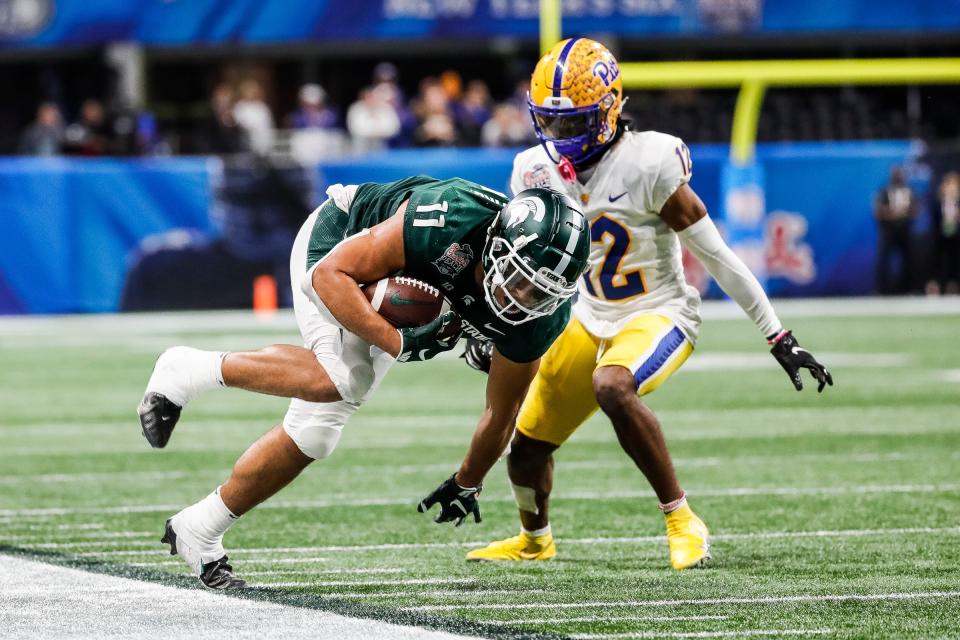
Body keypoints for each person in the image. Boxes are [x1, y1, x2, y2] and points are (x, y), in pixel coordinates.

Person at [464, 38, 833, 570]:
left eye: (574, 122)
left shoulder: (650, 161)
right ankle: (534, 539)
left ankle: (681, 517)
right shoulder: (531, 169)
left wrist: (778, 335)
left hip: (658, 312)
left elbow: (718, 255)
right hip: (587, 314)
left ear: (610, 109)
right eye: (551, 122)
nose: (560, 135)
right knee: (525, 449)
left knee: (612, 384)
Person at [137, 177, 590, 589]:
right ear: (496, 245)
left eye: (541, 292)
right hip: (339, 242)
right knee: (341, 378)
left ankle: (200, 528)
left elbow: (502, 410)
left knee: (316, 434)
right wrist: (396, 341)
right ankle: (187, 369)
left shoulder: (539, 320)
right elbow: (330, 274)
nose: (521, 299)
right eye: (517, 278)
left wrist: (467, 481)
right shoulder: (450, 216)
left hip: (393, 284)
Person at [873, 166, 919, 294]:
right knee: (883, 260)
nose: (898, 176)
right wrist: (894, 212)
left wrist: (903, 213)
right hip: (888, 231)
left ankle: (908, 289)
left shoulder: (909, 191)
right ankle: (881, 290)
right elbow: (878, 211)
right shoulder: (884, 191)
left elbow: (915, 210)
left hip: (905, 230)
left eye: (899, 174)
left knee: (909, 260)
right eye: (896, 174)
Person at [927, 171, 960, 295]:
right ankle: (934, 285)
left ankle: (953, 285)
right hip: (939, 236)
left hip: (955, 236)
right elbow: (934, 217)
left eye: (954, 185)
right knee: (936, 261)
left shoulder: (958, 203)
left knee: (954, 260)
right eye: (949, 184)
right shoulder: (938, 201)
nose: (951, 188)